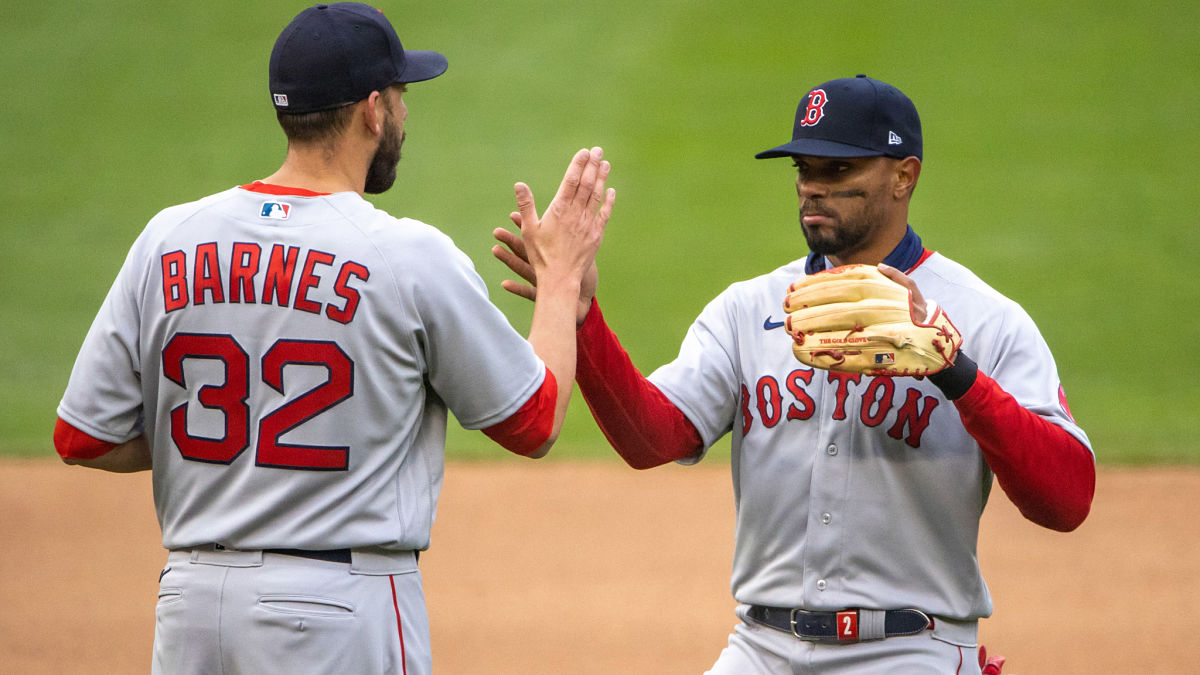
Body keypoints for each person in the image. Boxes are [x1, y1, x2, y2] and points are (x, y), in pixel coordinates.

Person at [53, 3, 614, 674]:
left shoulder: (168, 238)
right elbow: (536, 420)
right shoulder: (405, 255)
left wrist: (241, 448)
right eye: (402, 96)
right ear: (372, 111)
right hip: (336, 611)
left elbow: (84, 435)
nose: (406, 113)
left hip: (191, 606)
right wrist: (559, 281)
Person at [493, 74, 1094, 673]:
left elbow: (1067, 499)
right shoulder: (748, 308)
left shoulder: (983, 318)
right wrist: (580, 317)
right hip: (761, 648)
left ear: (904, 176)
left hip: (909, 651)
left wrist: (954, 371)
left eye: (838, 172)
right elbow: (652, 438)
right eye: (804, 170)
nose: (812, 189)